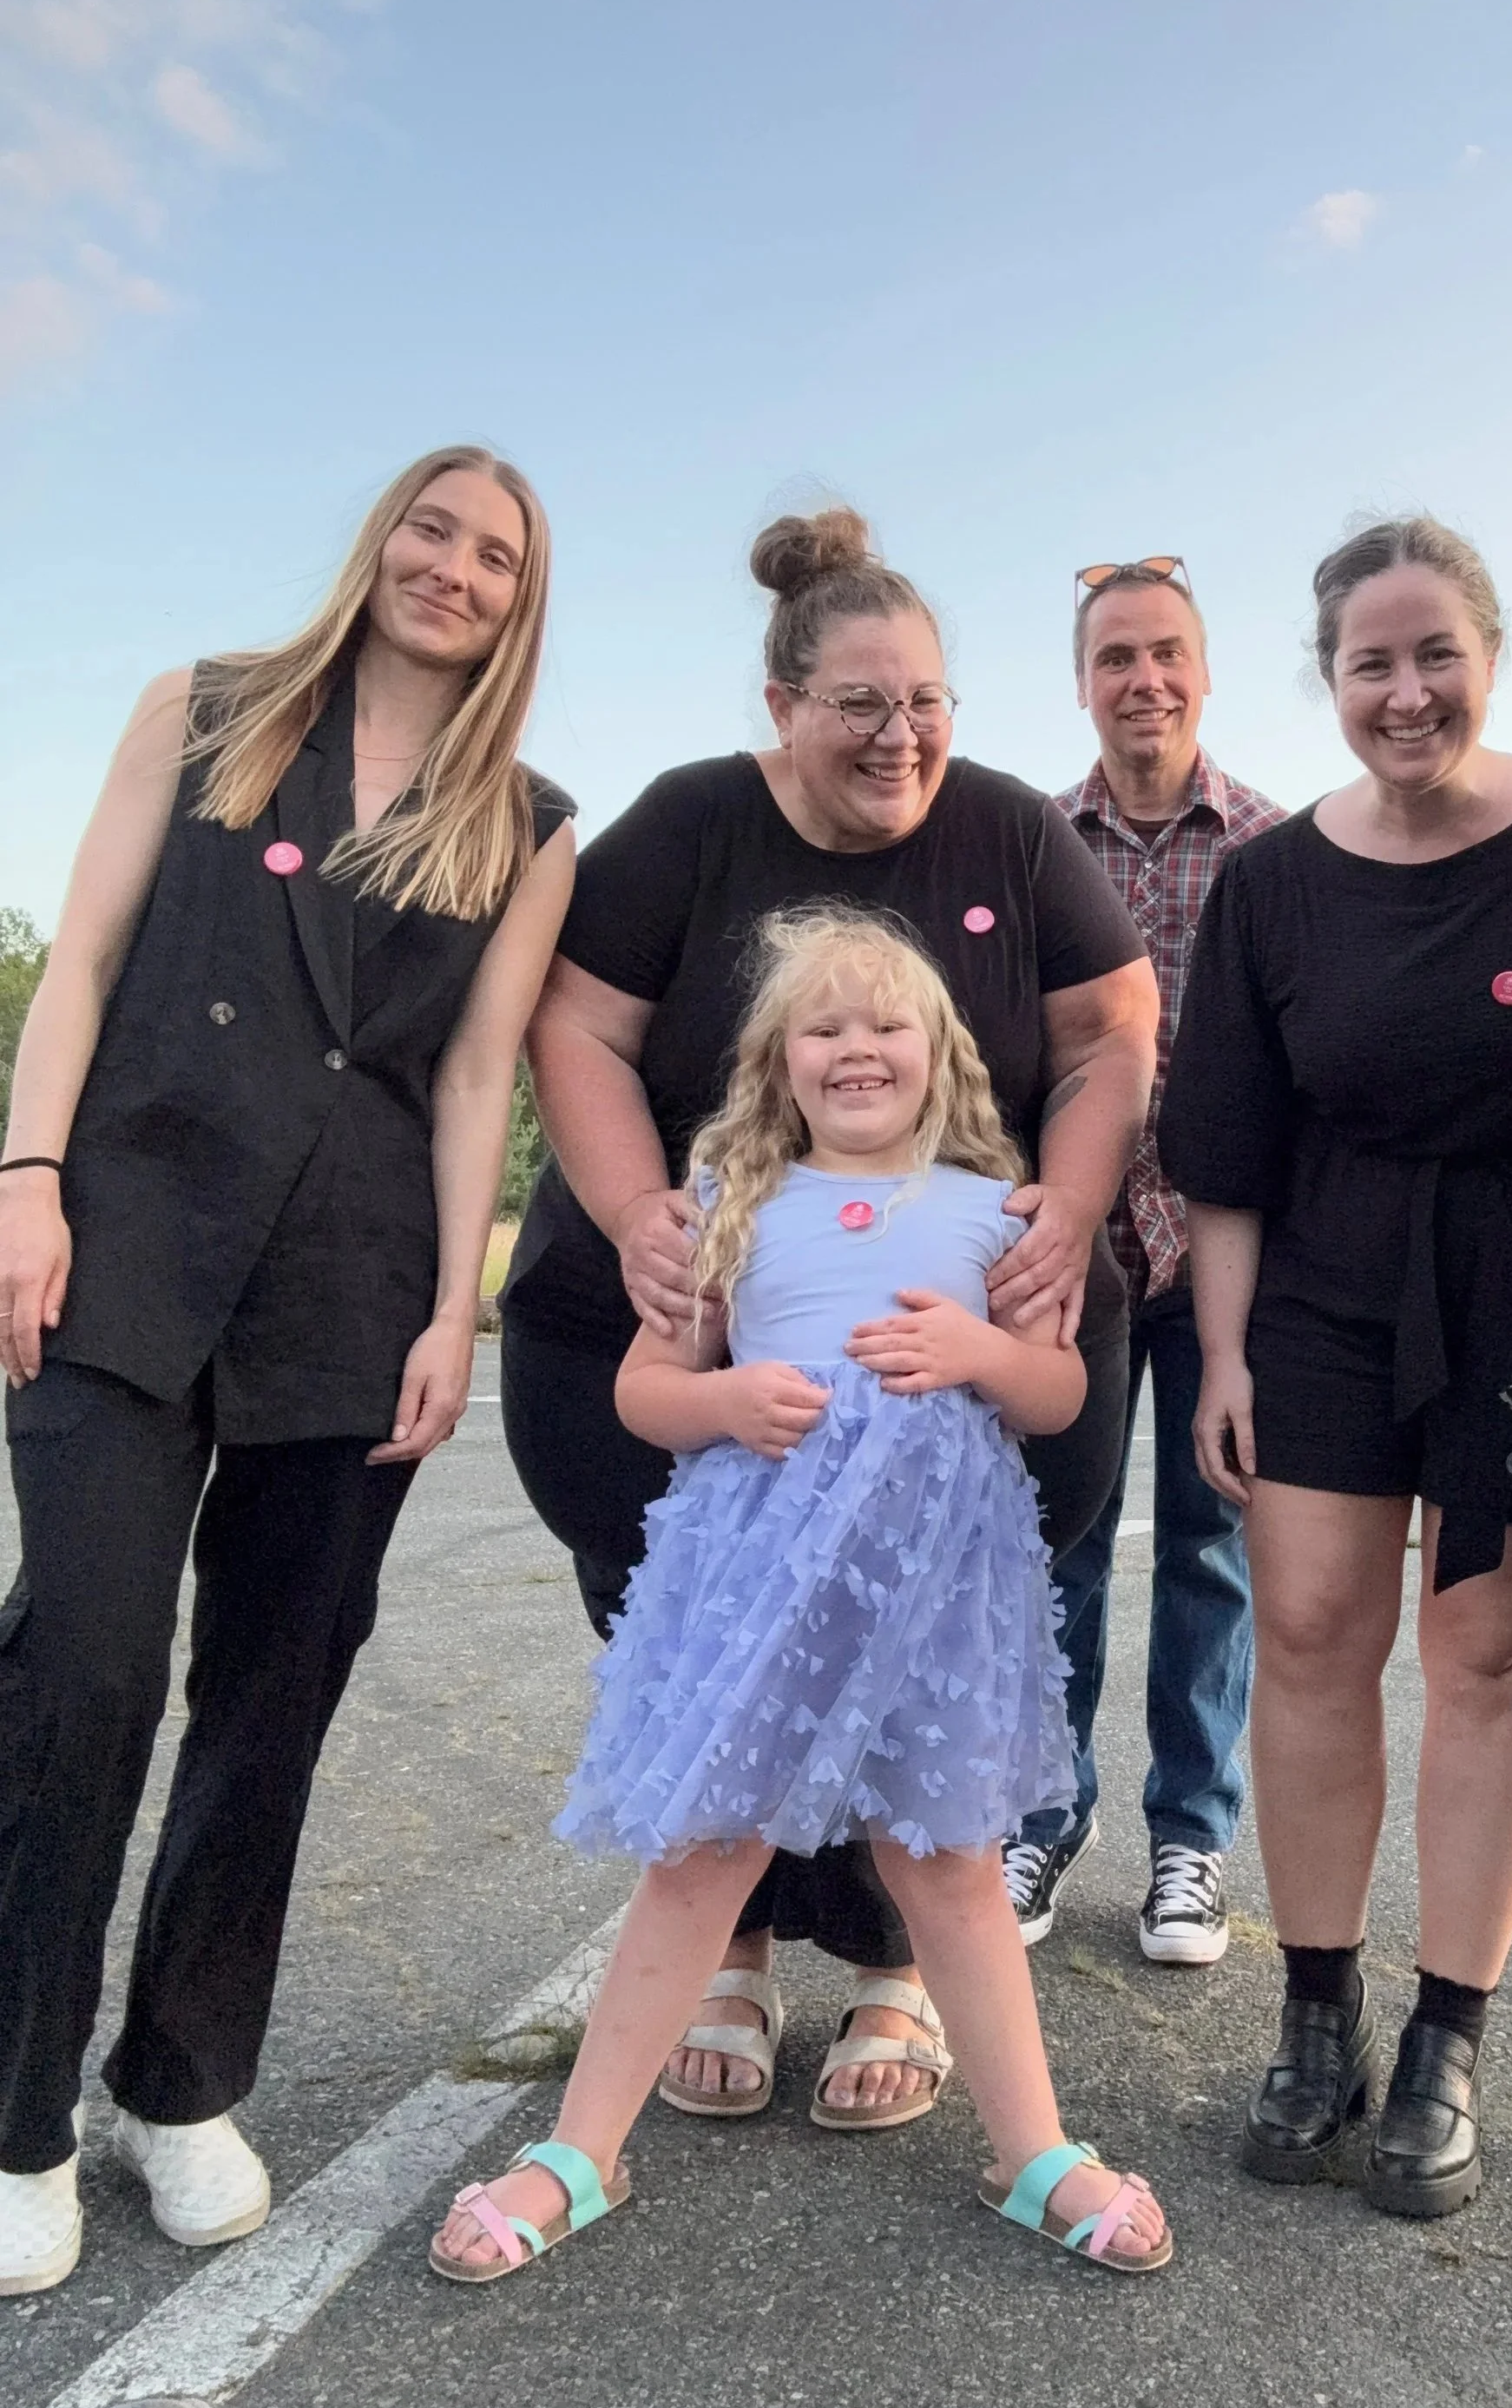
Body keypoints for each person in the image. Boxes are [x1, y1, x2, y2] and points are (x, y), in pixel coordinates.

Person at [498, 507, 1155, 2129]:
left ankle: (892, 1965)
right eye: (861, 702)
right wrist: (648, 1208)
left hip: (965, 1324)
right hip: (682, 1306)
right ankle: (729, 1937)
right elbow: (571, 1026)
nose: (901, 732)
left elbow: (1113, 1031)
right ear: (781, 704)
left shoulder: (1008, 831)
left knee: (928, 1629)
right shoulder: (685, 824)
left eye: (927, 697)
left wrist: (1065, 1211)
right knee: (706, 1625)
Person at [0, 448, 574, 2297]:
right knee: (79, 1665)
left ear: (522, 601)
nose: (455, 570)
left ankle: (181, 2080)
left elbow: (480, 1076)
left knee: (273, 1694)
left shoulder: (529, 819)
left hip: (353, 1287)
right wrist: (24, 1177)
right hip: (128, 1243)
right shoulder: (211, 708)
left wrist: (448, 1311)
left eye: (497, 556)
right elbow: (77, 961)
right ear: (379, 536)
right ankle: (17, 2120)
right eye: (434, 528)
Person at [431, 910, 1171, 2281]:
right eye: (821, 1028)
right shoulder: (730, 1203)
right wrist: (718, 1398)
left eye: (885, 1024)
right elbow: (644, 1394)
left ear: (940, 1054)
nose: (855, 1049)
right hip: (753, 1581)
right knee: (703, 1851)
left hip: (934, 1595)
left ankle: (1035, 2153)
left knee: (948, 1862)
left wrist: (974, 1352)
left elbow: (1061, 1395)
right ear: (776, 1063)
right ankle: (581, 2152)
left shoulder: (995, 1214)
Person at [1158, 516, 1512, 2221]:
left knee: (1487, 1644)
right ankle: (1314, 2014)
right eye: (1372, 660)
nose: (1407, 688)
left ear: (1489, 653)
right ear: (1333, 680)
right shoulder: (1276, 880)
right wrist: (1219, 1348)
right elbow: (1225, 1139)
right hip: (1321, 1286)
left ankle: (1446, 2037)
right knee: (1304, 1631)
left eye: (1436, 651)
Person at [1007, 557, 1280, 1964]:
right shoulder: (1035, 845)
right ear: (1082, 682)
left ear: (1205, 668)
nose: (1144, 680)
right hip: (1080, 1260)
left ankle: (1191, 1837)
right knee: (1053, 1548)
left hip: (1230, 1256)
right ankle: (1044, 1816)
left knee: (1210, 1547)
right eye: (1116, 657)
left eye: (1166, 652)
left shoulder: (1278, 847)